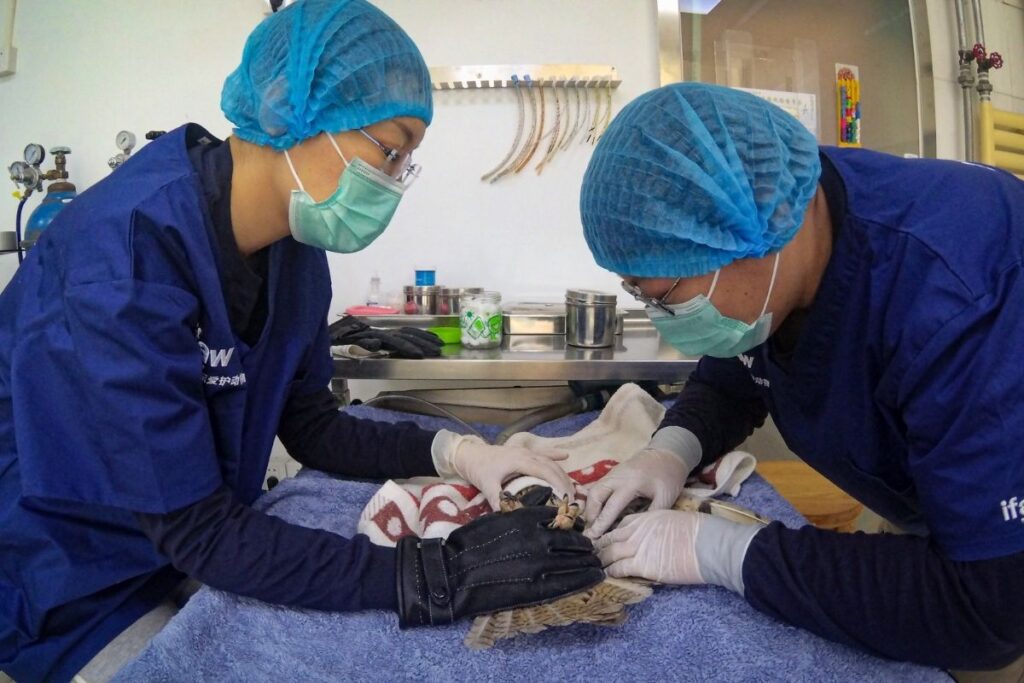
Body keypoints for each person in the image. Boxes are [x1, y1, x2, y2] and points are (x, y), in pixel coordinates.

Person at [0, 2, 601, 680]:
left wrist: (459, 452)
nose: (395, 179)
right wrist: (437, 570)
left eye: (409, 161)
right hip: (69, 577)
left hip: (186, 548)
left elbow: (312, 425)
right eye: (392, 149)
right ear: (291, 111)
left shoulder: (295, 250)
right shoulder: (125, 255)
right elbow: (199, 530)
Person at [578, 82, 1024, 680]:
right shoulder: (785, 233)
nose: (656, 313)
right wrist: (669, 449)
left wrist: (720, 551)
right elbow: (735, 373)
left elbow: (987, 609)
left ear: (744, 241)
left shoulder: (956, 300)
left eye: (658, 294)